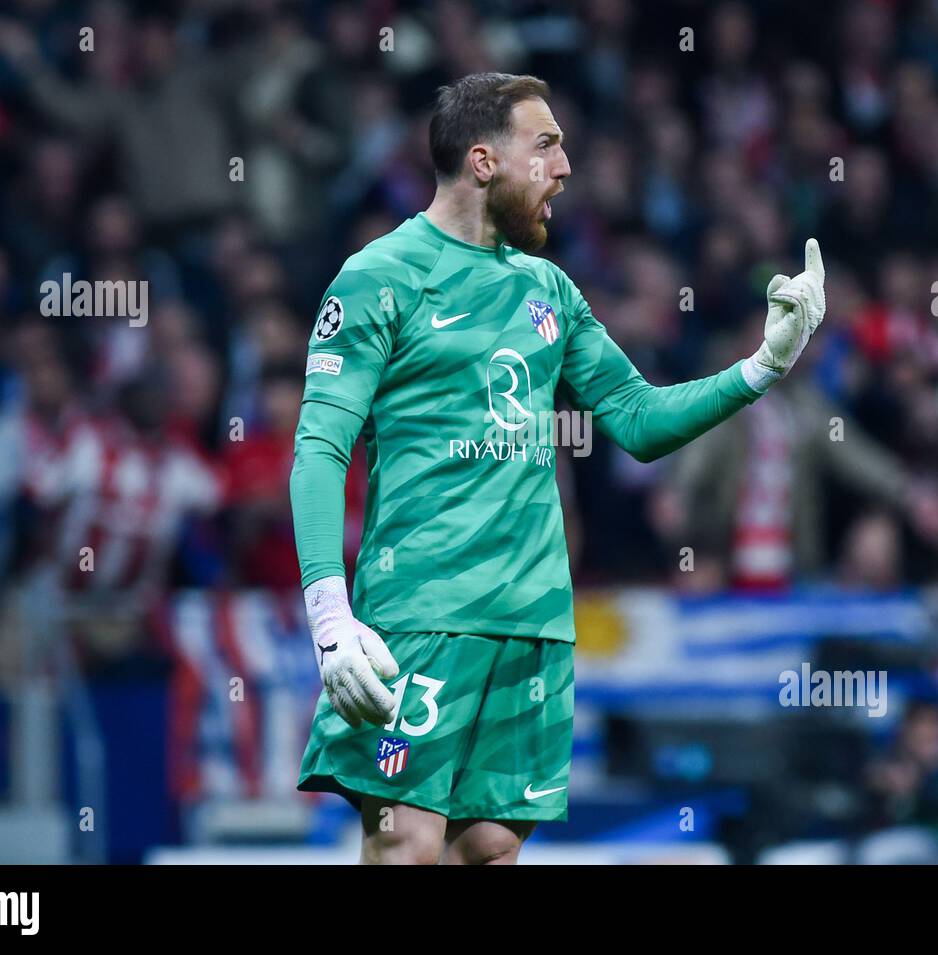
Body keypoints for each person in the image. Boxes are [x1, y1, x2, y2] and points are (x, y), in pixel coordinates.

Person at [289, 73, 827, 864]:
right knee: (408, 845)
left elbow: (637, 419)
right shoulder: (380, 276)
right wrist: (330, 616)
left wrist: (760, 368)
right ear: (482, 161)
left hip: (533, 620)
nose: (565, 167)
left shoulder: (549, 289)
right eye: (546, 145)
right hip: (421, 612)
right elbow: (319, 447)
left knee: (491, 849)